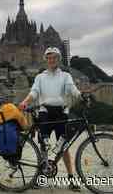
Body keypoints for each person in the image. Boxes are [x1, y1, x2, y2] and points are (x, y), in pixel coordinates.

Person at [19, 47, 82, 191]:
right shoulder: (40, 77)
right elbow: (34, 92)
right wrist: (25, 101)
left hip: (61, 113)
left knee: (64, 147)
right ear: (46, 60)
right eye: (48, 58)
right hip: (45, 112)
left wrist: (80, 95)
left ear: (58, 59)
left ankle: (71, 178)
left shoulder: (65, 76)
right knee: (44, 145)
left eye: (53, 57)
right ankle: (42, 176)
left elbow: (72, 89)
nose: (51, 60)